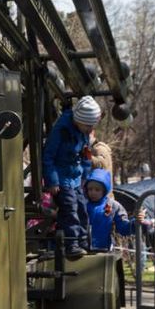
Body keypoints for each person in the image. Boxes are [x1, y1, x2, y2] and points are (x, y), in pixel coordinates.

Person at [42, 95, 100, 258]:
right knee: (69, 208)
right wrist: (52, 181)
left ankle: (82, 240)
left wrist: (85, 176)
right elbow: (48, 157)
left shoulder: (84, 133)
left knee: (82, 207)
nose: (90, 129)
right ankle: (71, 242)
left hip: (75, 177)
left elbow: (85, 155)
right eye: (88, 125)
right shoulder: (62, 130)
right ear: (79, 120)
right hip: (61, 178)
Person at [83, 168, 144, 251]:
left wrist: (135, 221)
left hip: (104, 249)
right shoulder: (82, 204)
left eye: (97, 190)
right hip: (82, 250)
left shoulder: (113, 205)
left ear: (104, 190)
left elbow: (124, 228)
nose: (93, 192)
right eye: (90, 189)